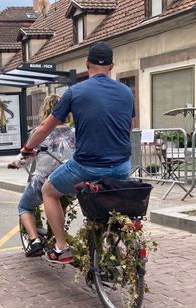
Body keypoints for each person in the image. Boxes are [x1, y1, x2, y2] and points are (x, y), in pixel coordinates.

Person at [20, 42, 134, 264]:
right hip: (121, 165)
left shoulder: (75, 91)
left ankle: (62, 248)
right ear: (111, 65)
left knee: (49, 191)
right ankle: (118, 244)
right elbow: (127, 129)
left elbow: (45, 127)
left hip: (86, 165)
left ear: (87, 64)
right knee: (107, 204)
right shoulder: (126, 92)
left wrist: (27, 148)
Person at [10, 95, 75, 257]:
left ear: (45, 110)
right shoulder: (75, 132)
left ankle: (34, 240)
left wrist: (15, 163)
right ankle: (57, 239)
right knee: (61, 201)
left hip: (43, 181)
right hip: (69, 180)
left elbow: (26, 156)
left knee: (24, 206)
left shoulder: (39, 132)